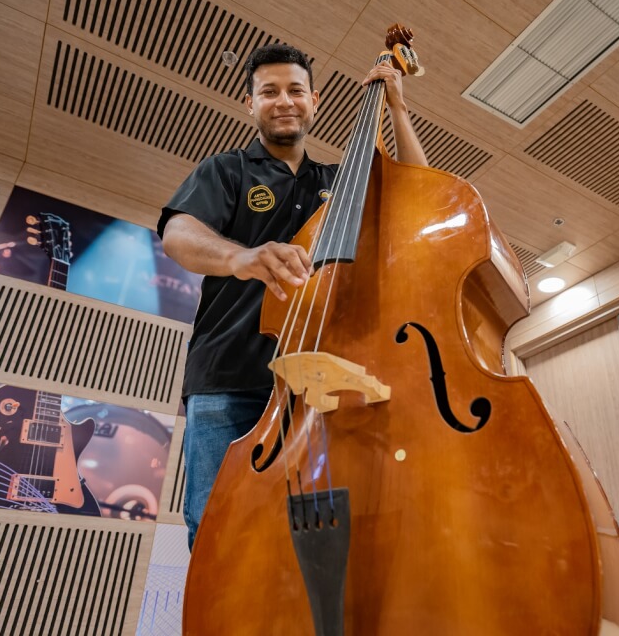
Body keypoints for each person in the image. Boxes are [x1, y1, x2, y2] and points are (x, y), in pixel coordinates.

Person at [158, 43, 428, 548]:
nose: (284, 101)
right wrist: (240, 258)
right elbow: (179, 234)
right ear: (250, 103)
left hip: (326, 382)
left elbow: (420, 196)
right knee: (220, 528)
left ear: (314, 100)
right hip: (230, 377)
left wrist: (397, 108)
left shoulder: (338, 183)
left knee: (327, 534)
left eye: (295, 90)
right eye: (269, 92)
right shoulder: (226, 171)